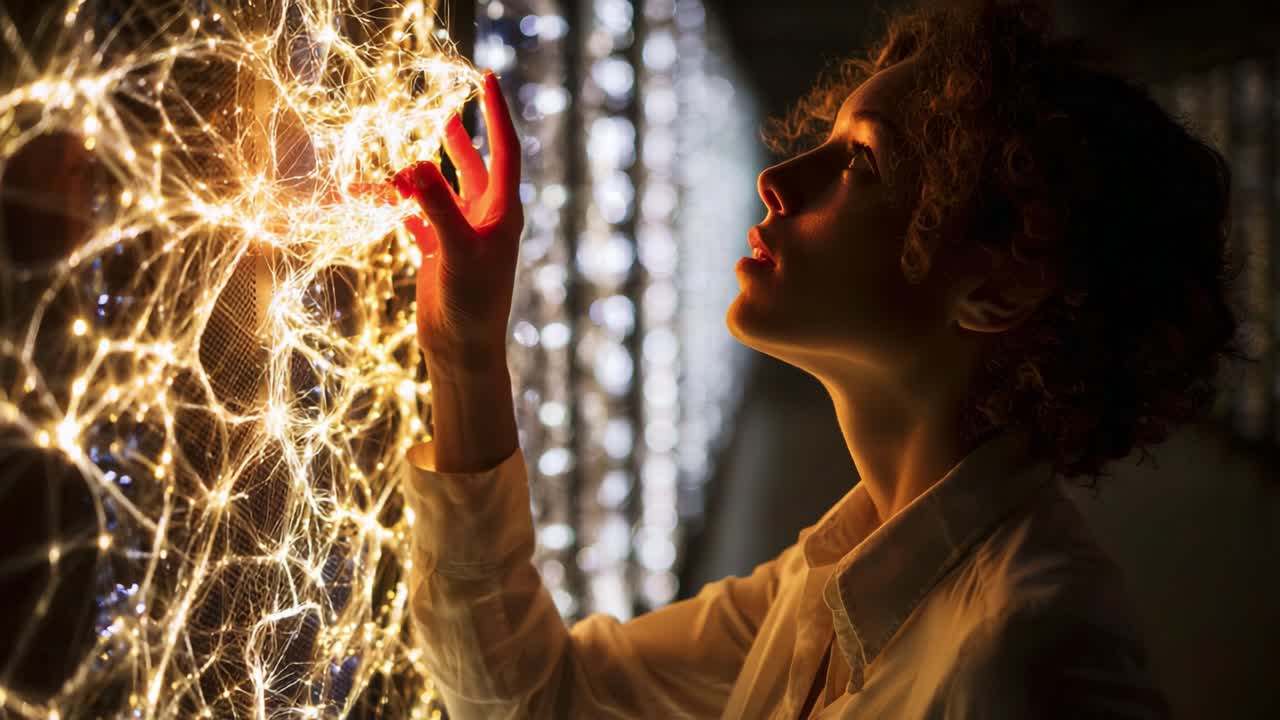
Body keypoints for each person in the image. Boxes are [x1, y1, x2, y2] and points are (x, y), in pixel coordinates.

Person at [393, 0, 1238, 717]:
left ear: (998, 289)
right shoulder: (827, 579)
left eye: (861, 162)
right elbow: (541, 696)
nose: (781, 180)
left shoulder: (1031, 657)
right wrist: (466, 351)